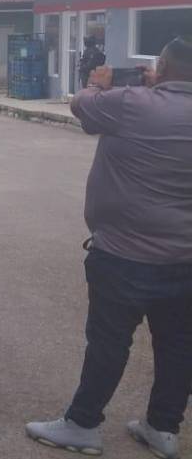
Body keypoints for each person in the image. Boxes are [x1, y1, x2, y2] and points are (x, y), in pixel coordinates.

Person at [25, 38, 192, 459]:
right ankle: (163, 429)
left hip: (123, 255)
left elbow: (82, 106)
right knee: (177, 345)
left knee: (109, 342)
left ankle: (82, 424)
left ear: (162, 67)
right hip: (185, 260)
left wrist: (97, 82)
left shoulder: (131, 103)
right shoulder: (142, 101)